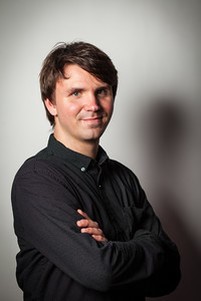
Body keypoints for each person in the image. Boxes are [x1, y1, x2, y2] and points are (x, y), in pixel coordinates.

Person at [11, 41, 181, 301]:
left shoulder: (125, 178)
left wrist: (111, 245)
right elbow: (100, 272)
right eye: (76, 93)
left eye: (101, 91)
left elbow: (170, 275)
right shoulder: (36, 179)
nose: (93, 104)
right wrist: (146, 244)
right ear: (51, 104)